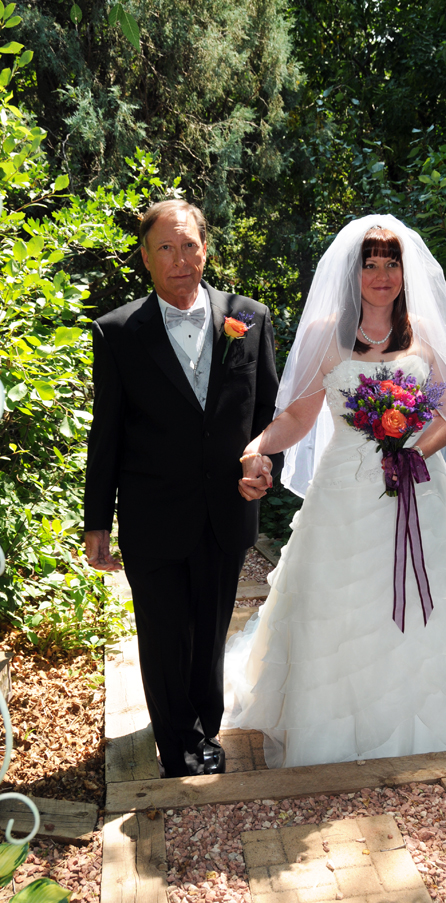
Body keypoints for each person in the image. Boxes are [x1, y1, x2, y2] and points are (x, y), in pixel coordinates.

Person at [226, 214, 446, 773]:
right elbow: (298, 418)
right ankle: (332, 734)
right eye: (370, 264)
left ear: (406, 271)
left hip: (416, 494)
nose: (381, 275)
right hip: (341, 497)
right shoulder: (326, 335)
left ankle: (424, 734)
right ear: (352, 273)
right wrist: (257, 444)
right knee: (338, 609)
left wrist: (411, 455)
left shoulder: (425, 335)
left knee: (421, 609)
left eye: (391, 263)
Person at [83, 200, 280, 778]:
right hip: (152, 514)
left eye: (189, 244)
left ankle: (204, 723)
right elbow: (107, 434)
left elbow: (269, 413)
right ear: (145, 257)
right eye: (165, 248)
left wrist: (264, 463)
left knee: (210, 630)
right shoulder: (118, 332)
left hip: (226, 511)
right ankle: (181, 745)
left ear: (205, 247)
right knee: (165, 633)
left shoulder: (250, 318)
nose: (179, 259)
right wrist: (98, 523)